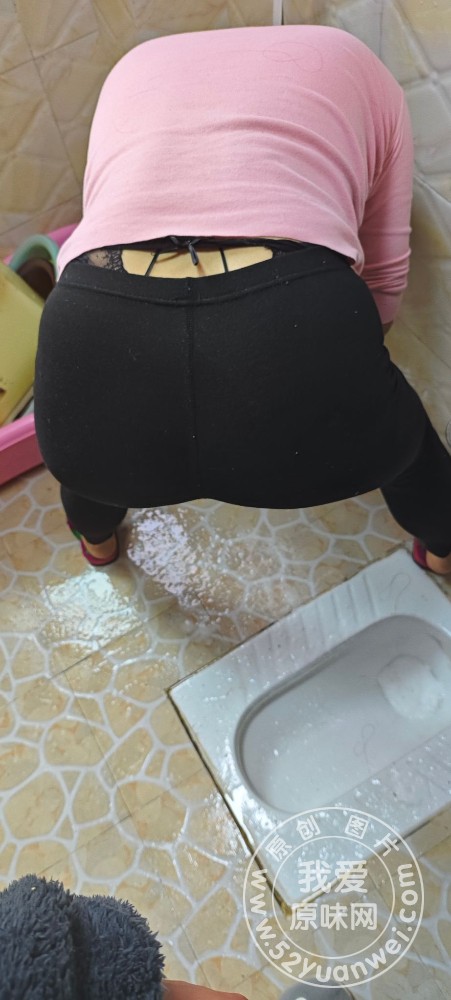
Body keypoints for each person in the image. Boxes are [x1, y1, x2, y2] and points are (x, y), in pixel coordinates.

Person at [34, 24, 451, 576]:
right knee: (412, 451)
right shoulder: (363, 69)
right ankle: (442, 552)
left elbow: (107, 222)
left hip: (88, 323)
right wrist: (333, 369)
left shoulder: (132, 66)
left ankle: (99, 542)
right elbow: (385, 276)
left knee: (94, 467)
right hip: (299, 311)